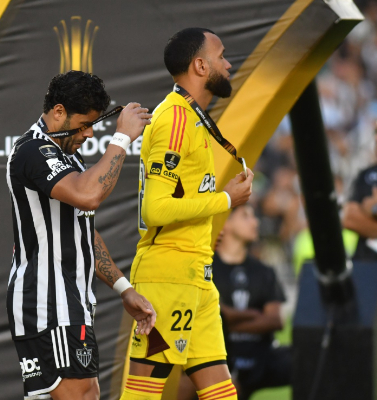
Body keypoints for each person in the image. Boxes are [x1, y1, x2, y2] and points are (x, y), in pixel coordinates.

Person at [6, 70, 156, 400]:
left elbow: (82, 228)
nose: (89, 134)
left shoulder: (66, 152)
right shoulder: (33, 150)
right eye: (84, 125)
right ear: (58, 112)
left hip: (69, 303)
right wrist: (120, 139)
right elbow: (89, 195)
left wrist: (123, 288)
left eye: (93, 125)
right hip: (48, 302)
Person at [122, 28, 253, 400]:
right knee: (141, 395)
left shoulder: (191, 118)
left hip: (197, 275)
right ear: (200, 65)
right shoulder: (174, 119)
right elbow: (156, 208)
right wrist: (225, 200)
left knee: (221, 392)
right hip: (168, 279)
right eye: (222, 56)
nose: (229, 64)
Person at [211, 204, 290, 400]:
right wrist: (251, 315)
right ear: (225, 224)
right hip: (219, 356)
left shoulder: (264, 271)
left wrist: (228, 322)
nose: (256, 222)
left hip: (261, 355)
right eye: (246, 216)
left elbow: (275, 321)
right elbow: (211, 316)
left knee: (308, 359)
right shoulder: (206, 267)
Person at [342, 117, 377, 262]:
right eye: (376, 132)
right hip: (366, 264)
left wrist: (374, 208)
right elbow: (349, 218)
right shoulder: (366, 175)